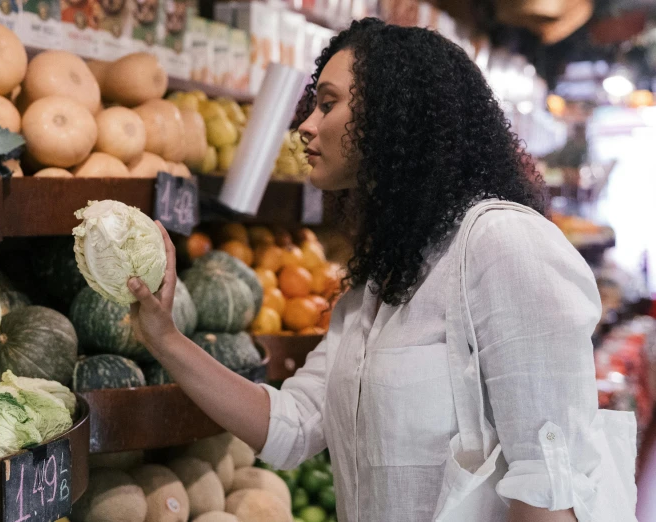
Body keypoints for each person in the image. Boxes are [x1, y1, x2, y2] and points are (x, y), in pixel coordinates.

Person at [127, 19, 606, 522]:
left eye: (328, 104)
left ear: (391, 114)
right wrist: (164, 336)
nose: (306, 126)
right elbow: (291, 428)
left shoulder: (502, 244)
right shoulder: (383, 276)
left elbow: (550, 492)